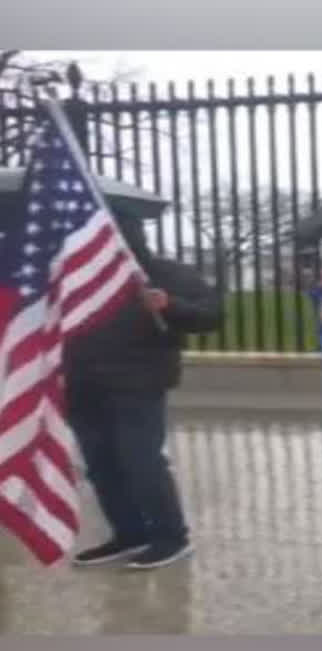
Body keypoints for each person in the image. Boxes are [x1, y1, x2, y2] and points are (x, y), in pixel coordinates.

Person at [67, 216, 223, 570]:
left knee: (141, 461)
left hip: (139, 380)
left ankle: (171, 537)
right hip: (80, 381)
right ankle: (129, 534)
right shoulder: (73, 274)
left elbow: (212, 316)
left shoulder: (166, 274)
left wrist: (170, 305)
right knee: (101, 465)